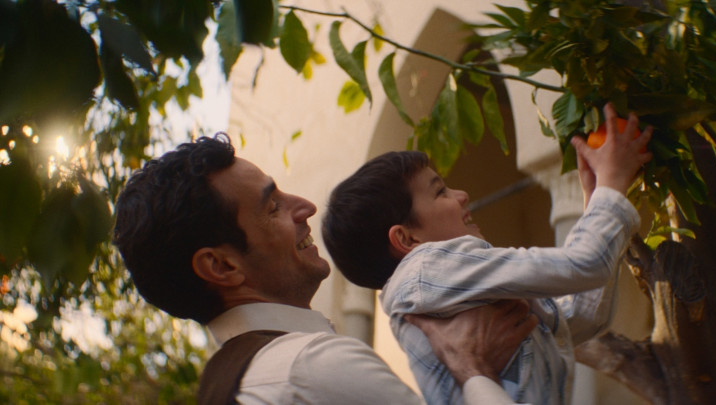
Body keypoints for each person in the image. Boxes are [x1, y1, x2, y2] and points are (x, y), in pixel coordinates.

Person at [112, 133, 537, 404]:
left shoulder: (231, 382)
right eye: (273, 207)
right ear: (221, 266)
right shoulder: (312, 367)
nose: (307, 207)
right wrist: (472, 369)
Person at [322, 103, 653, 405]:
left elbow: (582, 315)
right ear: (407, 239)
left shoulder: (448, 294)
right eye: (440, 192)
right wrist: (611, 184)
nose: (461, 195)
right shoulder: (426, 268)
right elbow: (586, 264)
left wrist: (596, 200)